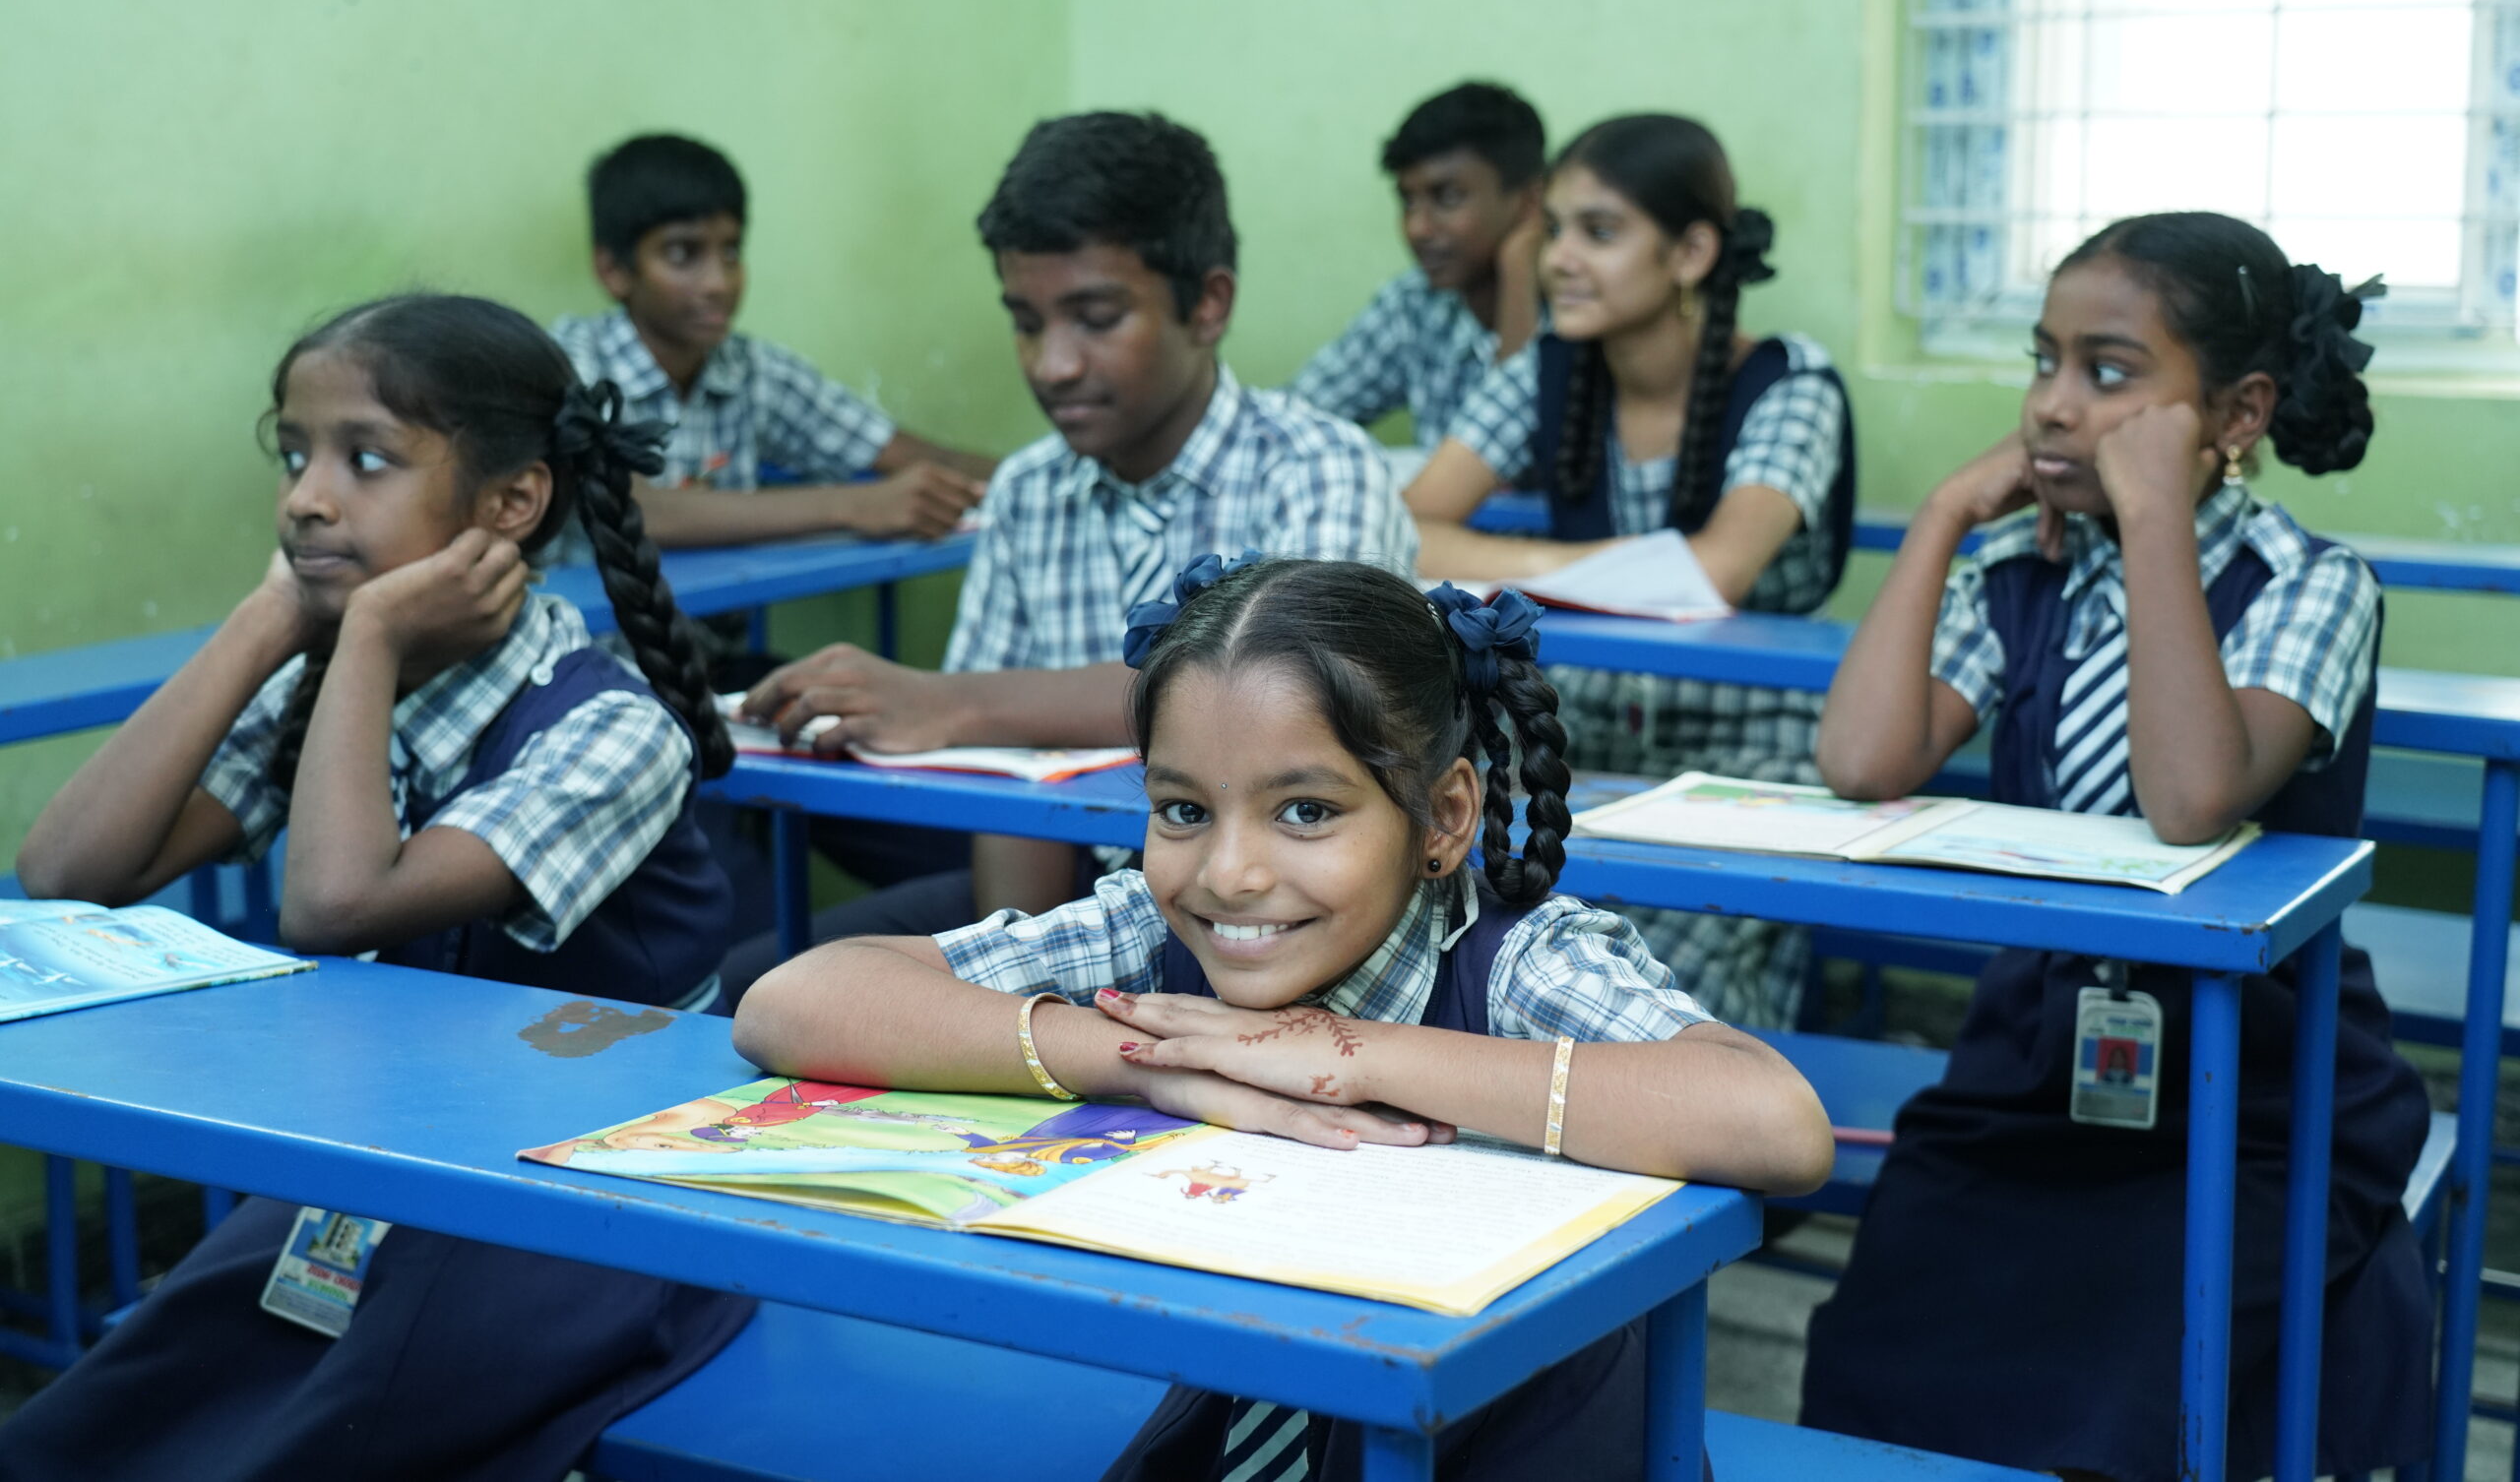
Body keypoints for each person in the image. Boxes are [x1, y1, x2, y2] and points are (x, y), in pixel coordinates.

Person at [732, 554, 1832, 1482]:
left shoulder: (1512, 960)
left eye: (1306, 811)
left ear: (1444, 815)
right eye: (1181, 809)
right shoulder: (1160, 933)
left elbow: (1772, 1120)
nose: (1230, 871)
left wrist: (1345, 1055)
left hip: (1518, 1446)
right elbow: (793, 1002)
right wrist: (1143, 1064)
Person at [9, 293, 753, 1482]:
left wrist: (360, 639)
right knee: (119, 1405)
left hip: (600, 1190)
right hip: (400, 1159)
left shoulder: (610, 725)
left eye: (364, 459)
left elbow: (336, 903)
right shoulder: (337, 686)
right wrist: (269, 617)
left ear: (512, 504)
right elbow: (67, 870)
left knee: (314, 1440)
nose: (307, 496)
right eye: (293, 453)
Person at [1798, 213, 2428, 1480]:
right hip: (2032, 1064)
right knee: (1885, 1341)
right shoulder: (2021, 573)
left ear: (2236, 414)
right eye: (2042, 362)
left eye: (2108, 372)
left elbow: (2192, 795)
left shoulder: (2311, 584)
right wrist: (1937, 519)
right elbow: (1863, 759)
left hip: (2259, 1085)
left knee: (2131, 1389)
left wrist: (2150, 521)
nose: (2050, 407)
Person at [725, 112, 1417, 977]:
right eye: (1026, 320)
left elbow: (1286, 709)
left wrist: (954, 701)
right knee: (762, 983)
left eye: (1095, 317)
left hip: (1287, 920)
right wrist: (1023, 977)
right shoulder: (1027, 489)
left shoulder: (1320, 468)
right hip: (1089, 920)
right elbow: (1004, 786)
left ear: (1208, 304)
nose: (1053, 364)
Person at [1403, 114, 1854, 1026]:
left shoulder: (1789, 383)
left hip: (1746, 747)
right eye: (1557, 229)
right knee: (1475, 947)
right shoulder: (1550, 370)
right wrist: (1596, 568)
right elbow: (1408, 526)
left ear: (1691, 251)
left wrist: (1517, 570)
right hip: (1576, 739)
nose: (1561, 258)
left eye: (1599, 232)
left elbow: (1716, 573)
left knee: (1660, 989)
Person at [551, 132, 992, 554]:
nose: (718, 283)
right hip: (596, 634)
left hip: (709, 634)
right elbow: (641, 510)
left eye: (731, 251)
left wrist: (1043, 475)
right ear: (614, 270)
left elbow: (898, 451)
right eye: (683, 254)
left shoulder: (751, 371)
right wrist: (855, 505)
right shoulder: (572, 364)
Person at [1290, 82, 1547, 457]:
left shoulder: (1585, 304)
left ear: (1530, 202)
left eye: (1448, 197)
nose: (1417, 229)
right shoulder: (1413, 304)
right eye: (1408, 202)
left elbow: (1526, 461)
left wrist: (1519, 271)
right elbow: (1294, 418)